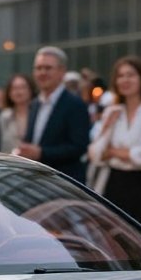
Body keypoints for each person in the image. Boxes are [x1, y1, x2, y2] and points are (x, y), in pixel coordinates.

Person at [87, 55, 141, 228]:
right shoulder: (112, 111)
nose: (125, 80)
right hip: (112, 182)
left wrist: (112, 152)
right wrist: (106, 128)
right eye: (120, 76)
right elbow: (95, 154)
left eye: (130, 75)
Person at [14, 47, 90, 182]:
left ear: (62, 71)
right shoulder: (35, 103)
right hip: (36, 182)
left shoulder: (75, 104)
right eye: (38, 68)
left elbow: (79, 146)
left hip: (65, 184)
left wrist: (41, 153)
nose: (42, 72)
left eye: (48, 68)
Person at [0, 73, 36, 153]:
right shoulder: (3, 117)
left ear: (30, 90)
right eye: (14, 88)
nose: (18, 92)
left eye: (23, 87)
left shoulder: (38, 115)